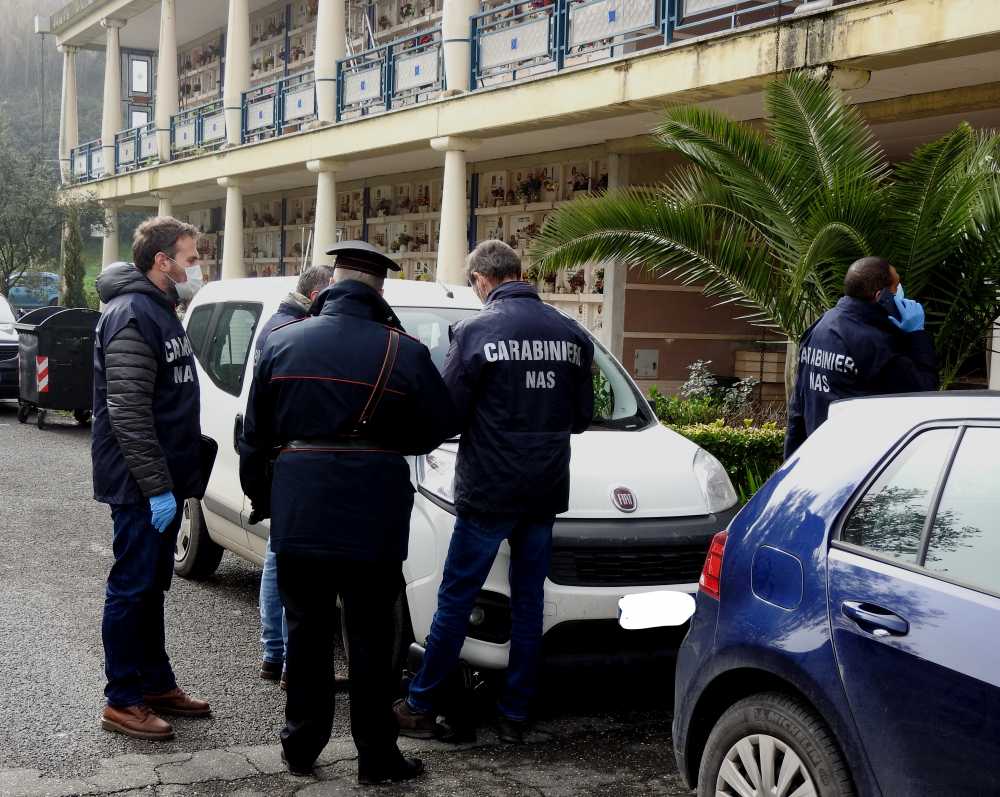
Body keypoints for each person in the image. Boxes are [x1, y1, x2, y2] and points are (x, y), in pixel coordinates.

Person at [239, 241, 456, 782]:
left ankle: (300, 749)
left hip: (300, 507)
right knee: (372, 639)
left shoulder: (283, 342)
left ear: (332, 284)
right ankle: (376, 758)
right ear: (380, 288)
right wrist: (383, 443)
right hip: (373, 512)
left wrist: (266, 501)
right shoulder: (403, 351)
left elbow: (254, 437)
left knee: (306, 632)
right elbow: (436, 426)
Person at [395, 240, 595, 744]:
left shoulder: (475, 331)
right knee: (530, 602)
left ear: (483, 280)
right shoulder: (571, 333)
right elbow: (582, 417)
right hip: (545, 488)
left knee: (457, 596)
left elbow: (447, 412)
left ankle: (420, 703)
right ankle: (516, 711)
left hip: (488, 489)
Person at [92, 216, 211, 740]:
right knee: (131, 588)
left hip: (161, 480)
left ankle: (156, 683)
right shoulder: (133, 316)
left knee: (151, 588)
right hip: (141, 484)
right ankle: (122, 698)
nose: (196, 268)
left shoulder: (160, 311)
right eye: (189, 258)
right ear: (162, 261)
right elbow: (129, 414)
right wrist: (157, 487)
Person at [253, 265, 336, 687]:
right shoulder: (289, 330)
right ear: (319, 293)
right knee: (283, 560)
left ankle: (276, 653)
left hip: (282, 459)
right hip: (290, 459)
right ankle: (283, 656)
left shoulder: (282, 324)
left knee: (279, 556)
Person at [784, 256, 939, 458]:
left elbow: (798, 406)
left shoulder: (823, 324)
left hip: (817, 462)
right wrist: (916, 334)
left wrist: (789, 469)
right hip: (858, 467)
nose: (901, 291)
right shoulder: (873, 343)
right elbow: (924, 390)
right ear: (880, 296)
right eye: (897, 286)